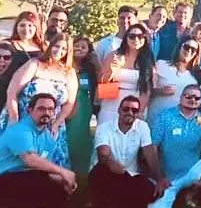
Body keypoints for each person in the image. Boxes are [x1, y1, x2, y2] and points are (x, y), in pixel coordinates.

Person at [1, 32, 78, 170]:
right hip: (23, 119)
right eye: (57, 46)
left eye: (64, 49)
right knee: (18, 160)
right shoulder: (35, 64)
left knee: (50, 165)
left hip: (52, 123)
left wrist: (56, 123)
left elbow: (69, 103)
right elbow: (12, 92)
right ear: (51, 46)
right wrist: (14, 120)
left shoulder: (69, 72)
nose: (59, 51)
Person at [0, 93, 77, 208]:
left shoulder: (47, 137)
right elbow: (29, 159)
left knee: (59, 192)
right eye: (41, 109)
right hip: (5, 178)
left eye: (50, 109)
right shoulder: (20, 130)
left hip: (24, 179)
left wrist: (63, 180)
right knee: (36, 177)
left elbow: (43, 167)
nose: (46, 113)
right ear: (30, 110)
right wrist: (63, 172)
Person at [147, 85, 201, 208]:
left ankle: (190, 191)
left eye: (197, 97)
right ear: (181, 98)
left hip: (192, 168)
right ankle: (175, 194)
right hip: (169, 176)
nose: (193, 100)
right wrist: (160, 176)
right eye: (189, 96)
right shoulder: (165, 117)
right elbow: (153, 148)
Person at [88, 95, 164, 208]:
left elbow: (149, 153)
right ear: (119, 110)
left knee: (150, 192)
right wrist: (112, 163)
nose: (129, 112)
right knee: (101, 171)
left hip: (130, 175)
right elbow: (103, 154)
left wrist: (159, 178)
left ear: (138, 113)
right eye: (126, 109)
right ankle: (102, 206)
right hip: (109, 172)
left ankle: (116, 204)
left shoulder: (142, 127)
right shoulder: (104, 128)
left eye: (134, 110)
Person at [100, 24, 155, 124]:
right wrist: (113, 70)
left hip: (135, 105)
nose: (136, 39)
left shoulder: (148, 60)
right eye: (132, 36)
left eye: (140, 36)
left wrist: (140, 111)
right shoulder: (114, 55)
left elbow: (147, 89)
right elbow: (103, 82)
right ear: (126, 38)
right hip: (112, 102)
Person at [152, 35, 201, 124]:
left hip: (181, 123)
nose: (189, 51)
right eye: (186, 47)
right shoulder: (161, 65)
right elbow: (146, 90)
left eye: (193, 50)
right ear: (179, 47)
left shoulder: (199, 72)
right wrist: (160, 91)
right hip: (157, 117)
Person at [67, 36, 99, 174]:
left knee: (81, 139)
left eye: (83, 47)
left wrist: (97, 64)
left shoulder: (90, 69)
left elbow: (100, 85)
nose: (79, 48)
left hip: (84, 109)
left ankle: (81, 173)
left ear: (88, 52)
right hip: (67, 107)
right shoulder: (65, 66)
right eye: (76, 45)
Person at [5, 11, 45, 77]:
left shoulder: (44, 46)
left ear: (36, 28)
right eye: (22, 25)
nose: (26, 29)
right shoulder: (7, 45)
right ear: (16, 27)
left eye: (30, 25)